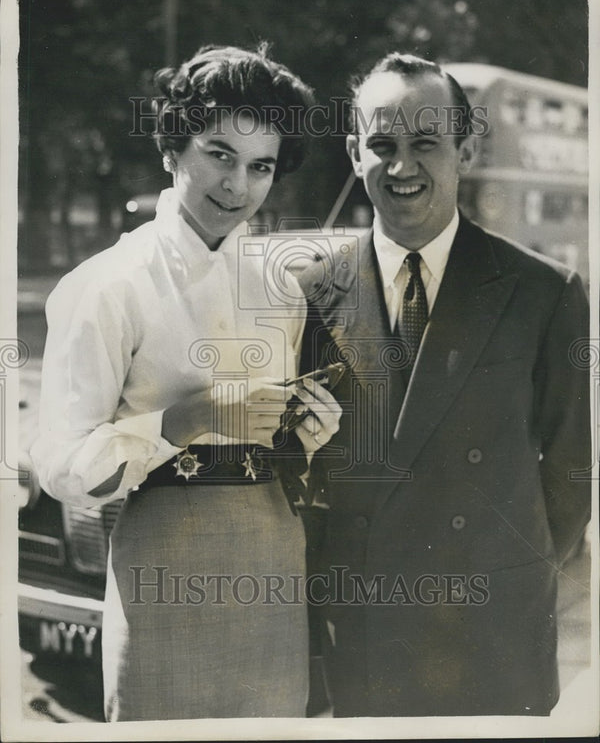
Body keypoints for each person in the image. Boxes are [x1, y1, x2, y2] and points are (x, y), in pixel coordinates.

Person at [31, 44, 341, 721]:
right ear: (173, 148)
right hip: (163, 571)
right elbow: (58, 465)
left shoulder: (282, 291)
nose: (237, 185)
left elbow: (290, 452)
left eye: (261, 166)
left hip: (272, 571)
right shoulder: (107, 285)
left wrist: (311, 436)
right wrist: (186, 419)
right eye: (219, 153)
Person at [297, 53, 591, 716]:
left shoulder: (544, 292)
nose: (402, 167)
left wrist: (515, 573)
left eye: (425, 143)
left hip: (494, 639)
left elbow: (573, 469)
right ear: (353, 153)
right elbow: (308, 477)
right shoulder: (312, 295)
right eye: (382, 145)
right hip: (368, 641)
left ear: (466, 147)